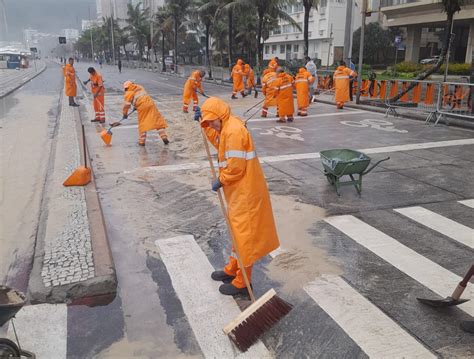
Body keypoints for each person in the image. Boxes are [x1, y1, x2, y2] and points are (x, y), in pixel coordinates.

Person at [199, 97, 280, 296]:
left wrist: (221, 179)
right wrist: (204, 126)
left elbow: (235, 168)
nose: (211, 124)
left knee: (244, 236)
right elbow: (218, 142)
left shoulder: (234, 131)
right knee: (238, 233)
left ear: (220, 115)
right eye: (208, 122)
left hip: (245, 193)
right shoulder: (225, 126)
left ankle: (243, 281)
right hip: (238, 191)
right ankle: (233, 268)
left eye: (211, 121)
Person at [122, 81, 169, 146]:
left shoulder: (128, 93)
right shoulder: (140, 87)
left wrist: (125, 114)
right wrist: (135, 106)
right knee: (157, 121)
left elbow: (126, 105)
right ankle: (164, 137)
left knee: (142, 123)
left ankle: (142, 141)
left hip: (142, 107)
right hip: (151, 104)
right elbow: (140, 97)